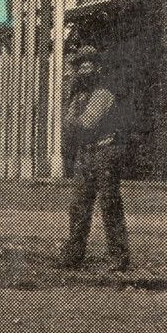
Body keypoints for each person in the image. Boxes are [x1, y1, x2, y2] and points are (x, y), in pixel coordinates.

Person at [57, 48, 134, 272]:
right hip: (86, 152)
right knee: (79, 206)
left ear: (97, 68)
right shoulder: (79, 96)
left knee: (109, 204)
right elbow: (67, 123)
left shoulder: (103, 93)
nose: (84, 69)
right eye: (80, 65)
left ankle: (118, 256)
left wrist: (73, 125)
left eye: (88, 65)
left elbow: (85, 124)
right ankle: (74, 253)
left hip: (105, 152)